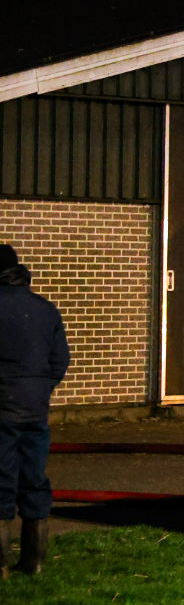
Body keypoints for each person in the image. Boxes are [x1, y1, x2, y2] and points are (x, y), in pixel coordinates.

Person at [0, 243, 69, 577]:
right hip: (34, 406)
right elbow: (60, 361)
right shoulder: (44, 309)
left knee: (1, 480)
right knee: (34, 479)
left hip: (1, 408)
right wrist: (41, 389)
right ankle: (34, 563)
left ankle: (0, 564)